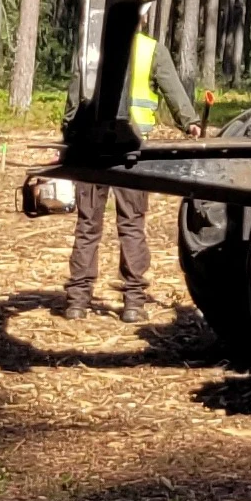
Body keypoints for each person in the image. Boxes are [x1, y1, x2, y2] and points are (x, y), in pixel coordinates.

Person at [65, 19, 199, 325]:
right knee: (132, 226)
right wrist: (190, 122)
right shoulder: (151, 50)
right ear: (144, 19)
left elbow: (74, 99)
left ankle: (77, 302)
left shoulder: (91, 51)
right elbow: (174, 93)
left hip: (90, 150)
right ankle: (134, 303)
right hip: (131, 151)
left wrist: (68, 135)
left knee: (88, 226)